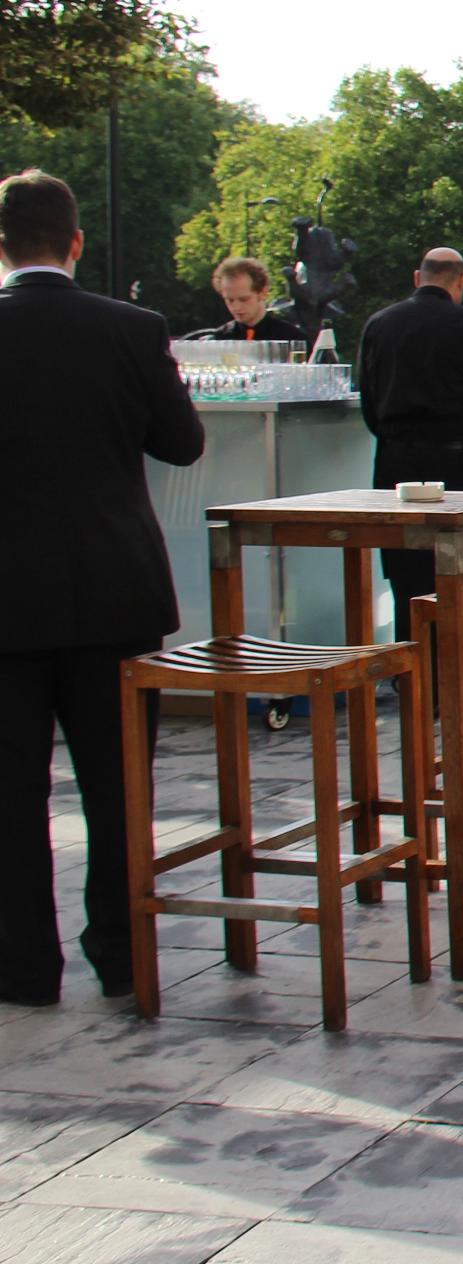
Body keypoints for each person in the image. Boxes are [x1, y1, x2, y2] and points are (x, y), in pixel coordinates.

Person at [0, 170, 205, 1006]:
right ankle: (121, 955)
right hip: (113, 583)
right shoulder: (133, 327)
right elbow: (184, 444)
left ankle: (22, 967)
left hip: (7, 594)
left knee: (12, 794)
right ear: (76, 241)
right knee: (119, 784)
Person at [357, 246, 463, 709]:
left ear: (418, 277)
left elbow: (368, 399)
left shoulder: (379, 325)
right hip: (461, 465)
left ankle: (421, 683)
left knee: (411, 576)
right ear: (460, 281)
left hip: (398, 466)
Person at [190, 256, 305, 342]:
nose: (236, 307)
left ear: (262, 292)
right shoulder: (218, 340)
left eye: (244, 299)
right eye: (229, 300)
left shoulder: (292, 339)